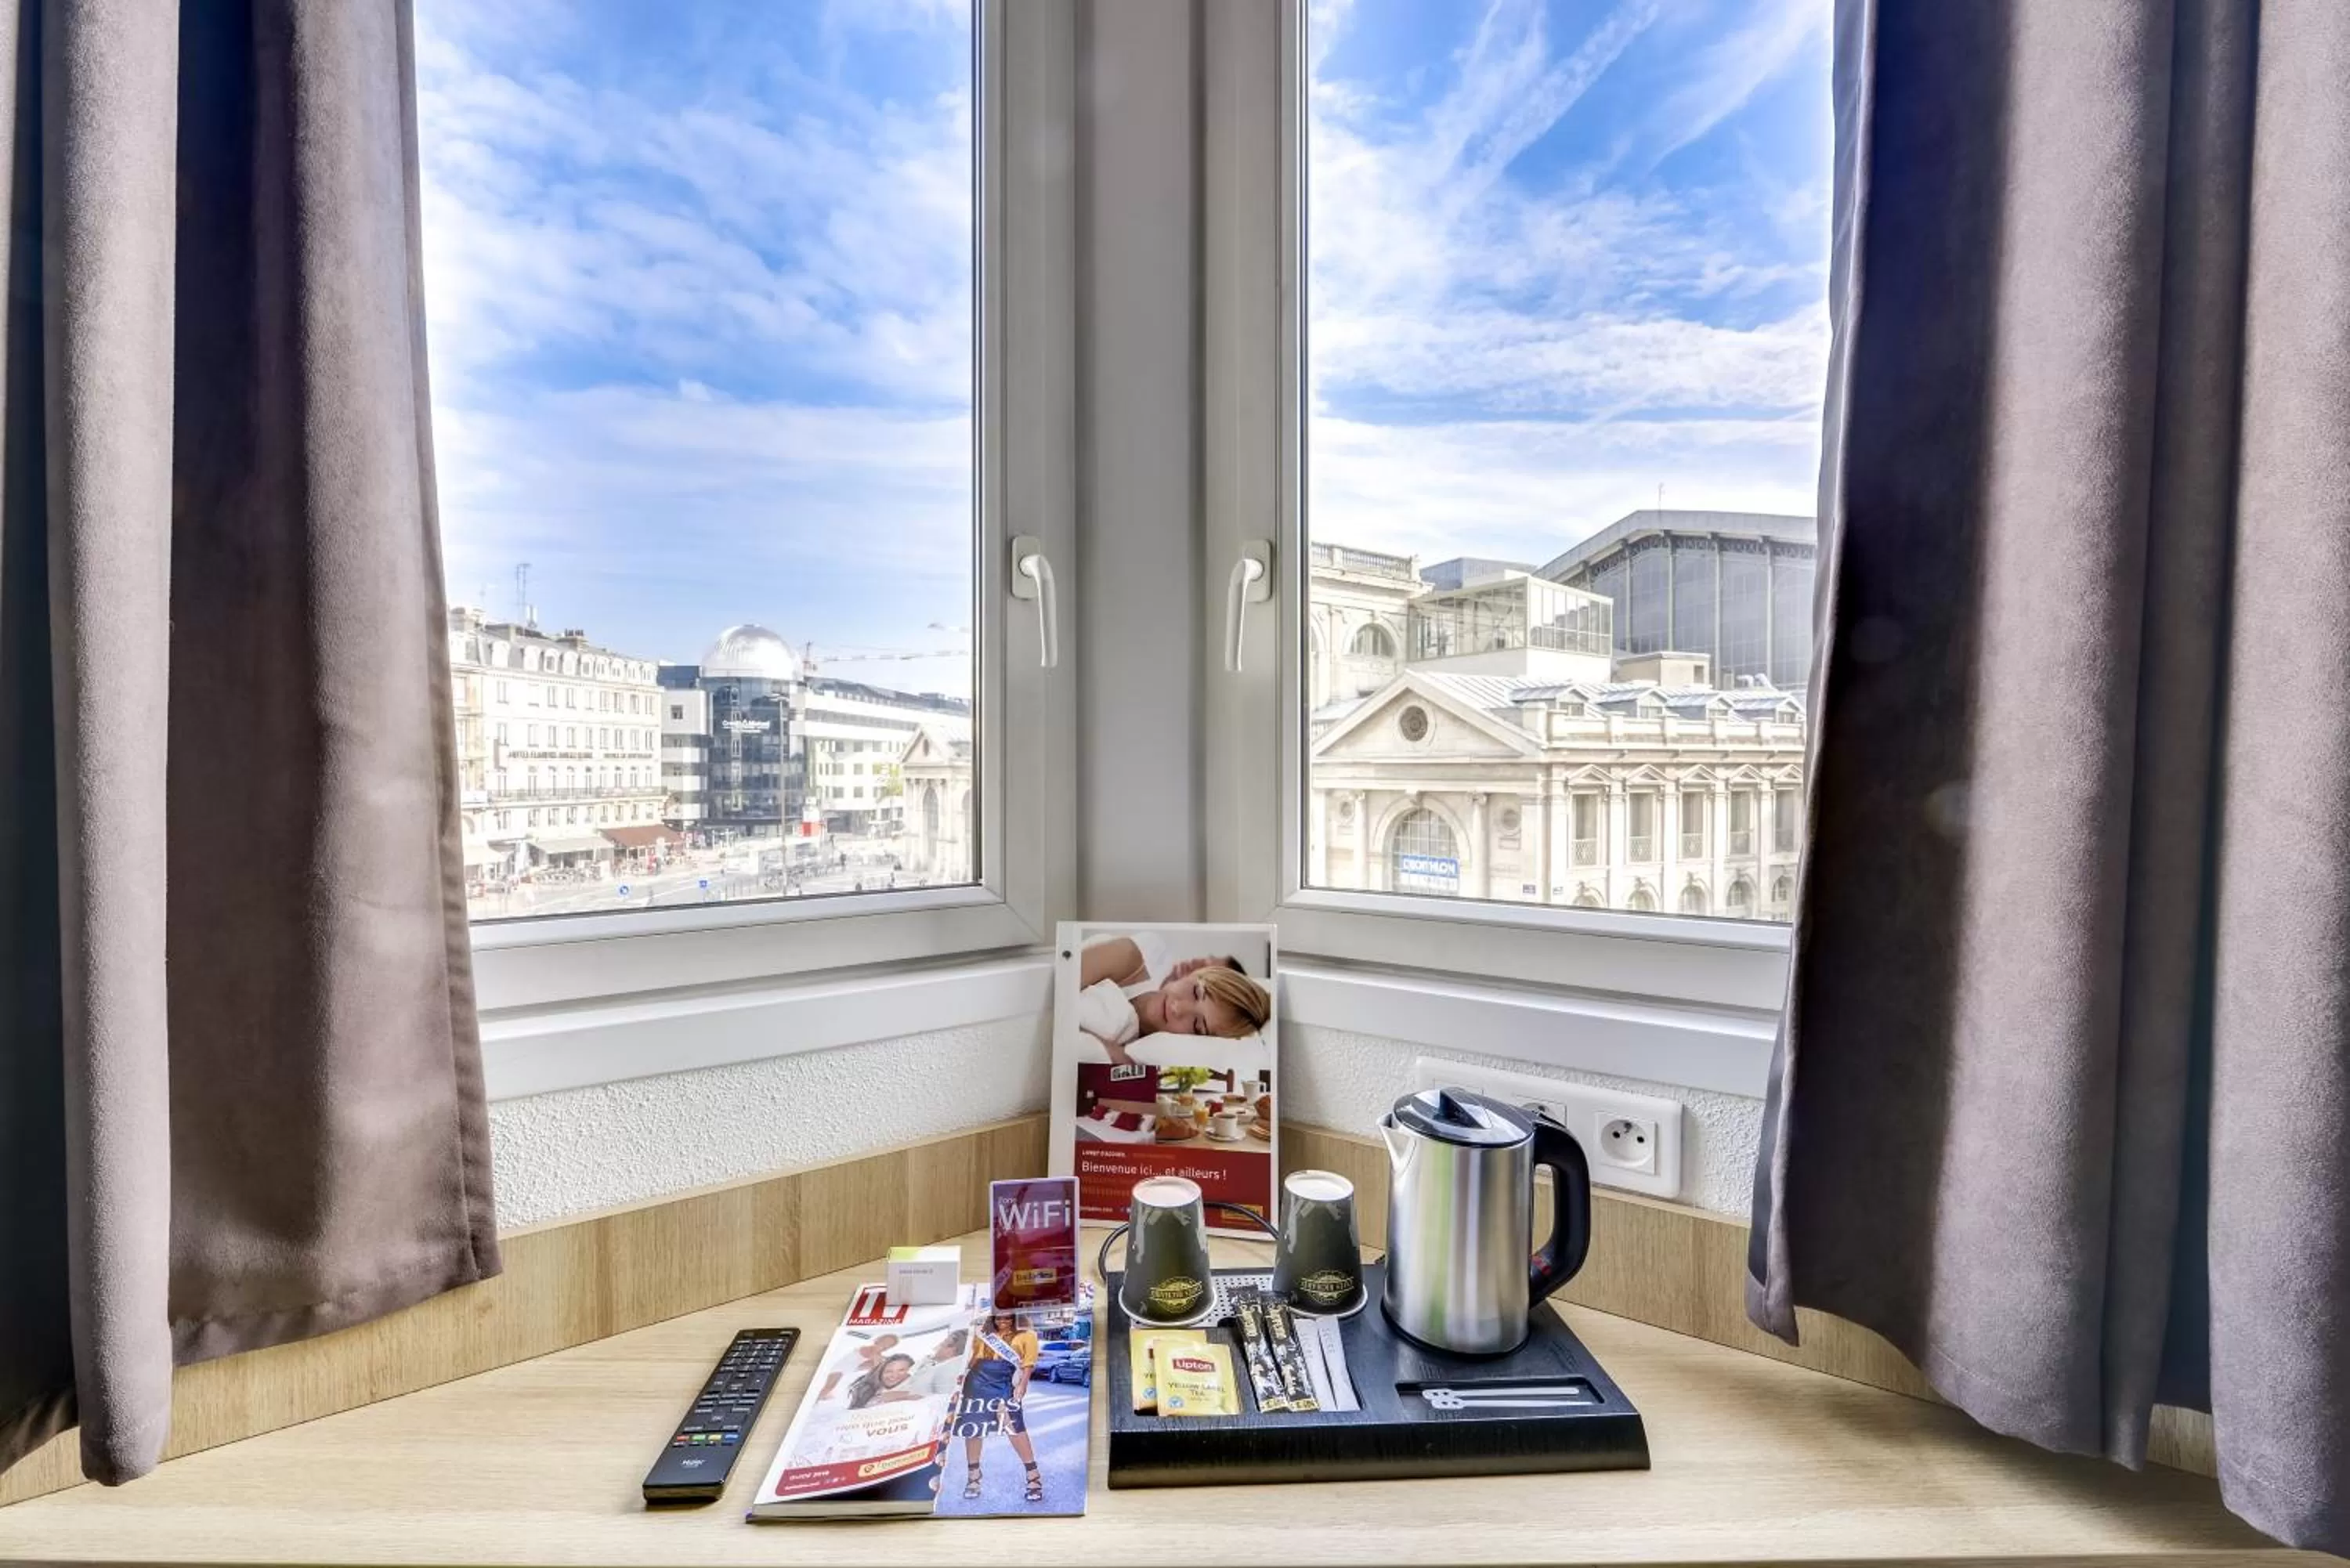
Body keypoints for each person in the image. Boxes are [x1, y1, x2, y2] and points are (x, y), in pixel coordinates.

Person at [1074, 933, 1271, 1068]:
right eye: (1196, 992)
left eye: (1196, 1025)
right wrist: (1108, 1050)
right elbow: (1058, 992)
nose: (1178, 1008)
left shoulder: (1140, 1054)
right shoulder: (1132, 957)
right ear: (1197, 975)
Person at [956, 1311, 1043, 1504]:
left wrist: (1022, 1385)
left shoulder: (1027, 1335)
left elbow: (1028, 1364)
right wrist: (962, 1376)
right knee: (973, 1428)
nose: (1003, 1322)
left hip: (1004, 1381)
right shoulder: (984, 1333)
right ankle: (974, 1476)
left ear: (1015, 1318)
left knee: (1013, 1426)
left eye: (1007, 1318)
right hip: (977, 1380)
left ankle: (1033, 1475)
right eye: (999, 1318)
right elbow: (973, 1359)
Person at [845, 1352, 916, 1410]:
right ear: (881, 1373)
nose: (894, 1375)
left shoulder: (916, 1388)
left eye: (902, 1370)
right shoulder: (865, 1391)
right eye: (889, 1371)